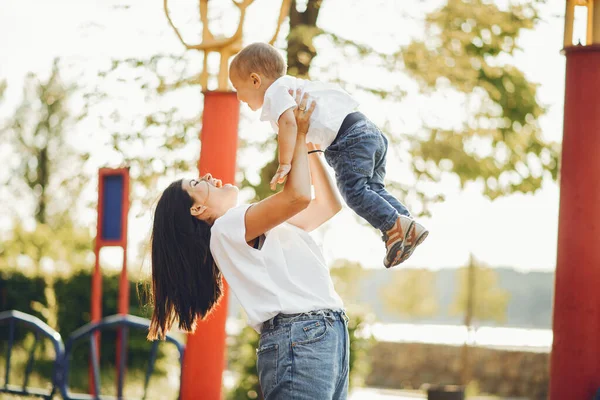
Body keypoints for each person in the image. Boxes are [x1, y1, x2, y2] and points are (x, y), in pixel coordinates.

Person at [148, 92, 350, 399]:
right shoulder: (228, 227)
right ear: (197, 210)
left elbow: (327, 206)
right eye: (197, 183)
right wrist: (298, 135)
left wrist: (308, 148)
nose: (209, 177)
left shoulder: (247, 225)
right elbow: (298, 197)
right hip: (302, 337)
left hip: (324, 334)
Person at [229, 42, 428, 268]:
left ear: (255, 80)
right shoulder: (294, 88)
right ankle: (405, 224)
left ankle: (393, 226)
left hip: (349, 139)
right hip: (367, 131)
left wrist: (284, 163)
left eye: (238, 89)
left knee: (354, 192)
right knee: (373, 189)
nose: (238, 97)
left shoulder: (276, 93)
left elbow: (289, 125)